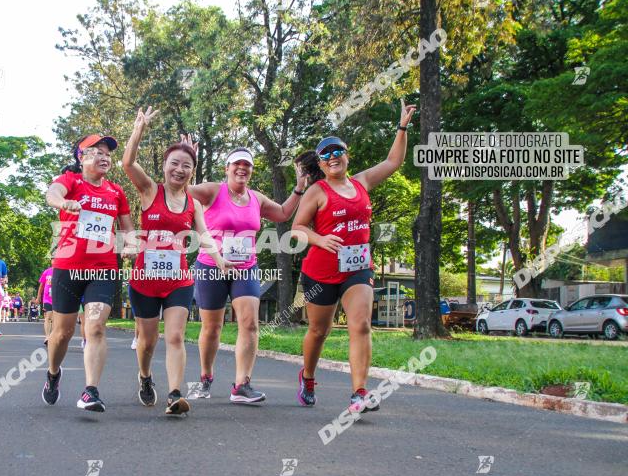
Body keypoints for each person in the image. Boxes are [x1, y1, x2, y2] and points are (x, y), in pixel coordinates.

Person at [291, 100, 416, 411]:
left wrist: (402, 127)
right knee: (319, 330)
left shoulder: (361, 182)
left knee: (360, 325)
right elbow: (297, 228)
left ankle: (360, 392)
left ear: (347, 156)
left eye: (338, 151)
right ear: (320, 164)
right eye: (326, 155)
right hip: (320, 272)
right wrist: (320, 239)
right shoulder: (316, 192)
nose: (333, 157)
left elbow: (392, 162)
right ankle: (307, 376)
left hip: (357, 268)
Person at [122, 106, 234, 415]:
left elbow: (206, 235)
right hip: (145, 281)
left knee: (174, 336)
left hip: (178, 281)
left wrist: (219, 259)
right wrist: (138, 129)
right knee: (146, 342)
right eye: (174, 163)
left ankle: (174, 395)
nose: (180, 170)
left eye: (186, 165)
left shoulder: (193, 204)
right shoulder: (149, 190)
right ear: (164, 166)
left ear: (192, 171)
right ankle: (145, 377)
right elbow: (128, 163)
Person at [186, 142, 308, 403]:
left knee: (250, 325)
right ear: (227, 168)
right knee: (212, 327)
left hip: (245, 267)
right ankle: (206, 377)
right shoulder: (212, 191)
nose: (242, 168)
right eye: (237, 164)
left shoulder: (256, 198)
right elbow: (183, 190)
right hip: (211, 265)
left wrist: (299, 188)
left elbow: (284, 213)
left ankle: (242, 385)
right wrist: (190, 160)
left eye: (247, 165)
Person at [43, 133, 135, 412]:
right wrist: (64, 203)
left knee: (94, 327)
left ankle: (90, 391)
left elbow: (127, 228)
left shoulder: (116, 192)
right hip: (67, 268)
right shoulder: (71, 182)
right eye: (96, 151)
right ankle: (53, 373)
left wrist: (130, 244)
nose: (104, 156)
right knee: (62, 333)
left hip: (103, 268)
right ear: (81, 158)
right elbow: (52, 194)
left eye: (107, 153)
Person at [36, 266, 54, 344]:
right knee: (48, 317)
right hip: (47, 298)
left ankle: (52, 336)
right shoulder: (47, 271)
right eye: (53, 259)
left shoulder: (63, 271)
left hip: (58, 298)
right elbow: (42, 285)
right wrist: (38, 296)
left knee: (55, 319)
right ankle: (47, 337)